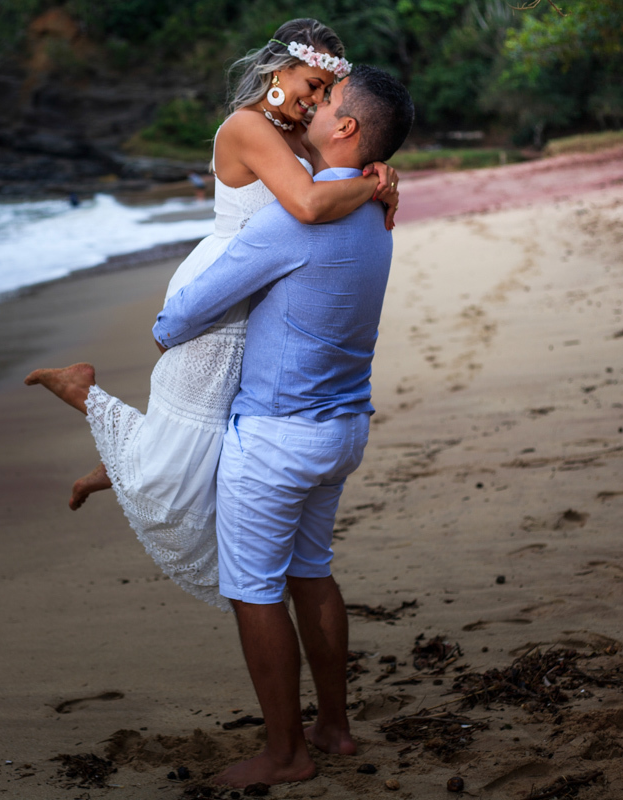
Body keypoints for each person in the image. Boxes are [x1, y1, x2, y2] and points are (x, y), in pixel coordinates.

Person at [24, 19, 400, 609]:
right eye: (309, 83)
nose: (314, 100)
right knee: (194, 424)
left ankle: (118, 465)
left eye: (326, 91)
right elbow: (306, 202)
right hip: (222, 292)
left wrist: (373, 171)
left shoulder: (297, 133)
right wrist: (372, 186)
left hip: (265, 287)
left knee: (212, 436)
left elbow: (329, 175)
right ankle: (85, 399)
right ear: (279, 69)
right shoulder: (248, 127)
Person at [150, 65, 414, 787]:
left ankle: (285, 753)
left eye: (324, 102)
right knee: (312, 571)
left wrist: (164, 325)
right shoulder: (376, 211)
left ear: (347, 128)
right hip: (342, 429)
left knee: (254, 589)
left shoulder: (291, 220)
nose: (311, 107)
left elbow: (177, 320)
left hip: (276, 438)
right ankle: (333, 728)